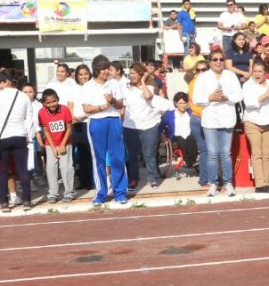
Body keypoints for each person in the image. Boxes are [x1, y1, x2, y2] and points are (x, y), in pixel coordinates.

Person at [193, 49, 242, 197]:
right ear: (210, 62)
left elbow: (239, 95)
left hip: (227, 118)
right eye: (215, 59)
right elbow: (196, 98)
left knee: (226, 153)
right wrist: (210, 98)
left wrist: (226, 97)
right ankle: (213, 183)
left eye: (221, 59)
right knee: (212, 154)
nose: (218, 62)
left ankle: (228, 183)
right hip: (210, 120)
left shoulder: (231, 75)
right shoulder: (203, 77)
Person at [82, 55, 127, 206]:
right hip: (97, 122)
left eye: (108, 68)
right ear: (96, 70)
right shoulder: (88, 86)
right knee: (99, 159)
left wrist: (112, 101)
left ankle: (120, 192)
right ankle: (101, 193)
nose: (107, 72)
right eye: (104, 69)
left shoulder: (114, 83)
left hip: (113, 120)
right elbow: (86, 108)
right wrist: (102, 106)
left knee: (117, 157)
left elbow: (120, 105)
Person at [0, 74, 34, 212]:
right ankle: (27, 201)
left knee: (3, 171)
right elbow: (29, 119)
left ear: (7, 82)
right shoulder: (23, 96)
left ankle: (4, 203)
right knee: (22, 170)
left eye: (0, 82)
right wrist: (28, 136)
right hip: (20, 135)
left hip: (3, 137)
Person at [122, 63, 168, 194]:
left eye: (134, 74)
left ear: (142, 74)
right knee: (132, 155)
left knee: (149, 154)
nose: (131, 76)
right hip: (130, 126)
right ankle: (133, 179)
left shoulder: (149, 87)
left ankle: (153, 178)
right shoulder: (126, 88)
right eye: (130, 73)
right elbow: (123, 106)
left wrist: (142, 81)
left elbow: (148, 97)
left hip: (148, 125)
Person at [241, 60, 269, 193]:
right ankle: (260, 184)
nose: (257, 74)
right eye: (255, 71)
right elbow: (249, 103)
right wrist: (267, 94)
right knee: (257, 153)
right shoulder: (247, 85)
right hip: (252, 121)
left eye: (260, 71)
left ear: (265, 73)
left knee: (266, 154)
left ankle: (266, 182)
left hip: (268, 122)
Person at [37, 88, 75, 203]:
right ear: (44, 103)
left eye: (54, 101)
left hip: (65, 142)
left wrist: (63, 144)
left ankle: (69, 192)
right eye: (48, 102)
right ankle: (53, 193)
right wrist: (53, 148)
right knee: (50, 168)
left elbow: (69, 128)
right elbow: (46, 131)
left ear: (58, 100)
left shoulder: (65, 110)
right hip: (50, 144)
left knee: (66, 167)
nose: (52, 104)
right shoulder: (42, 112)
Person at [160, 93, 198, 182]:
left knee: (192, 138)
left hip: (189, 135)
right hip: (175, 137)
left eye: (184, 103)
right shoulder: (169, 114)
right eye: (180, 103)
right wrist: (163, 137)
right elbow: (160, 127)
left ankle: (191, 161)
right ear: (176, 103)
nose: (183, 105)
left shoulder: (190, 112)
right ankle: (190, 162)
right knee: (181, 139)